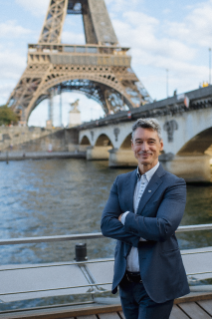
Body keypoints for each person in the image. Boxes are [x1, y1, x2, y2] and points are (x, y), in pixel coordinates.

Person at [101, 118, 189, 319]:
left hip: (157, 281)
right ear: (132, 145)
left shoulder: (174, 184)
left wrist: (126, 217)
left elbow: (163, 228)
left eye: (150, 141)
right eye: (139, 141)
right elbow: (106, 225)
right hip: (126, 282)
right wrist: (141, 235)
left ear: (160, 145)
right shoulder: (121, 181)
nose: (144, 147)